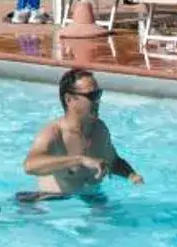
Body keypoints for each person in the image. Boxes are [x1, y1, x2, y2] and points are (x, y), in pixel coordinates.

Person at [20, 71, 144, 200]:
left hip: (93, 199)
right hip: (54, 204)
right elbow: (30, 166)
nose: (98, 101)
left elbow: (114, 161)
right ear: (69, 99)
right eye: (92, 95)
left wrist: (132, 176)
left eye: (99, 94)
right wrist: (79, 160)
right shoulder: (54, 133)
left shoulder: (99, 129)